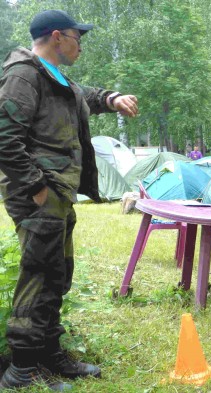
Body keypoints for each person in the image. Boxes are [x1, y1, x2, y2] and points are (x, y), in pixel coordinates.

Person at [0, 9, 138, 390]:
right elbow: (5, 139)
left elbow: (83, 96)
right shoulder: (23, 75)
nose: (81, 44)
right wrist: (36, 188)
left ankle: (49, 353)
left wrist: (113, 98)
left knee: (57, 274)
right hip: (40, 196)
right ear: (58, 36)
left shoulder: (54, 76)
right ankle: (22, 369)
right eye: (78, 36)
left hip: (57, 195)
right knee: (39, 275)